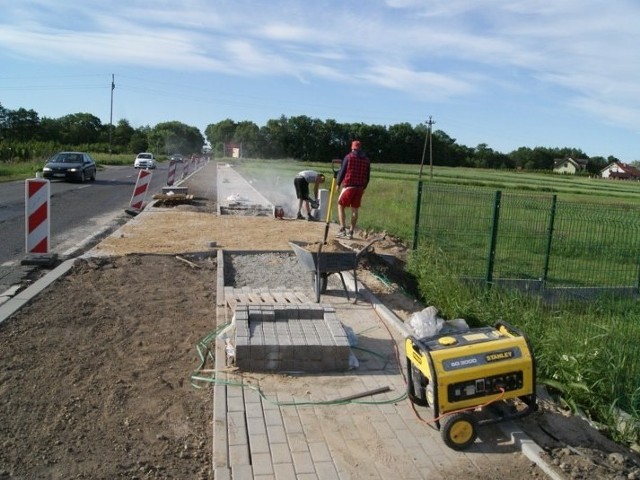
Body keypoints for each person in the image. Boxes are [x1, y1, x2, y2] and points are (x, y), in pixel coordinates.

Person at [336, 140, 371, 239]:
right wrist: (364, 187)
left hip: (349, 186)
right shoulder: (366, 160)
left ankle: (342, 229)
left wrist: (338, 184)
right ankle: (351, 232)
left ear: (352, 148)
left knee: (340, 205)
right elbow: (367, 177)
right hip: (360, 188)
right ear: (360, 148)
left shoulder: (348, 157)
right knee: (355, 209)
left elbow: (342, 171)